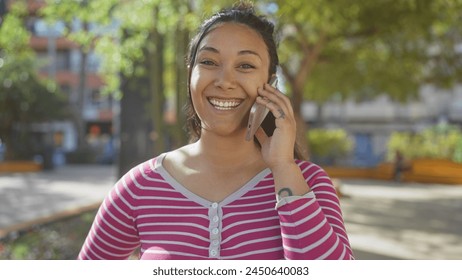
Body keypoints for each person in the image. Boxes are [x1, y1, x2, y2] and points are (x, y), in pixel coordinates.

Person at [78, 2, 354, 260]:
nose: (225, 81)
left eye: (245, 66)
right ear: (190, 74)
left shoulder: (309, 183)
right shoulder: (139, 187)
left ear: (270, 84)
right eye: (209, 62)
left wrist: (282, 166)